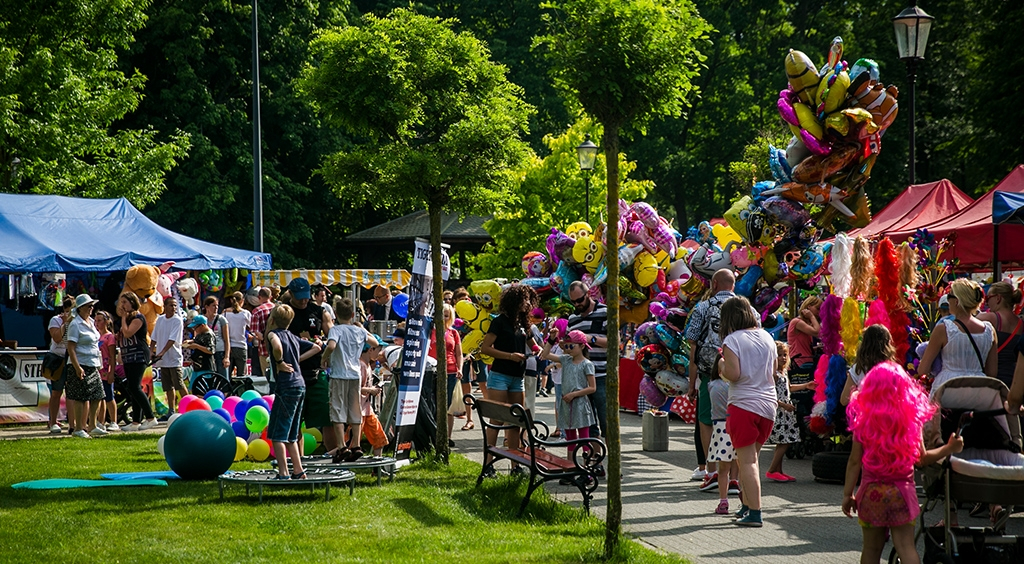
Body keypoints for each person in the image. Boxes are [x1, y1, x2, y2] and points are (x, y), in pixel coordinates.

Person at [843, 361, 964, 564]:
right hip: (902, 494)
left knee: (871, 549)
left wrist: (848, 494)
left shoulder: (863, 422)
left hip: (871, 493)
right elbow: (921, 460)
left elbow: (855, 461)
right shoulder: (911, 422)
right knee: (906, 547)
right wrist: (949, 448)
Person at [717, 295, 777, 527]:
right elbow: (772, 371)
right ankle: (746, 505)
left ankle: (755, 512)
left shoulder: (732, 340)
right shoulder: (767, 337)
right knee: (747, 461)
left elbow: (733, 374)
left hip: (743, 405)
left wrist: (721, 364)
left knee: (748, 462)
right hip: (767, 407)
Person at [685, 269, 739, 487]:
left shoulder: (703, 307)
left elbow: (692, 346)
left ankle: (712, 471)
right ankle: (735, 477)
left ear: (714, 284)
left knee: (707, 420)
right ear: (733, 286)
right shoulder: (747, 308)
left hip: (710, 375)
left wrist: (691, 385)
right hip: (738, 377)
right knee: (734, 421)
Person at [480, 284, 538, 475]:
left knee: (516, 420)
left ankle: (515, 466)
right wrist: (510, 356)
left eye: (529, 299)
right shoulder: (499, 321)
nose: (528, 303)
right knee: (496, 419)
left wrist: (551, 342)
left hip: (517, 378)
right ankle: (488, 465)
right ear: (514, 301)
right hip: (499, 376)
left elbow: (535, 347)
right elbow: (486, 348)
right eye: (524, 299)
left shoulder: (524, 324)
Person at [265, 304, 320, 480]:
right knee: (291, 435)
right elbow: (317, 347)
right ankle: (298, 470)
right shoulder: (293, 337)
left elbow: (277, 346)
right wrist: (297, 359)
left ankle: (283, 473)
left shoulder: (273, 334)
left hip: (286, 386)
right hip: (300, 385)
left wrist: (280, 361)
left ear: (272, 320)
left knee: (277, 434)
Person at [917, 278, 997, 393]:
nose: (947, 300)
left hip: (947, 389)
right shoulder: (989, 330)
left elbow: (923, 369)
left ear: (957, 301)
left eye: (949, 296)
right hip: (978, 390)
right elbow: (992, 373)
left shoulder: (944, 328)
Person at [321, 298, 376, 463]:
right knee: (355, 409)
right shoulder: (359, 331)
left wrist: (324, 358)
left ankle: (342, 446)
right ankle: (357, 445)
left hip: (339, 374)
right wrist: (361, 328)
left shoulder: (335, 330)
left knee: (338, 409)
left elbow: (331, 346)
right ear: (353, 314)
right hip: (355, 374)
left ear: (336, 315)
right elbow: (374, 342)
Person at [286, 277, 336, 450]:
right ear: (290, 294)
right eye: (299, 296)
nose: (304, 300)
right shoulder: (285, 312)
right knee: (295, 423)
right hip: (292, 373)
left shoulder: (320, 311)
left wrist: (324, 342)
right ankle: (298, 465)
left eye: (306, 296)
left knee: (328, 419)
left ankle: (334, 458)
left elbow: (333, 336)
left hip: (316, 372)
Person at [540, 329, 595, 464]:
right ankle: (570, 466)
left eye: (571, 346)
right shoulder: (565, 360)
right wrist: (551, 340)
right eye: (566, 346)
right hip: (567, 404)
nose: (568, 349)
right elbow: (545, 355)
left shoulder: (587, 364)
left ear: (582, 346)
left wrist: (574, 394)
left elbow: (592, 387)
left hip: (580, 405)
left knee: (584, 438)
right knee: (570, 439)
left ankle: (586, 467)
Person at [765, 342, 813, 482]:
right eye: (779, 355)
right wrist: (784, 405)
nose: (783, 358)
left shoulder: (783, 372)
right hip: (780, 412)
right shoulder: (773, 374)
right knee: (786, 441)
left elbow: (789, 388)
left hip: (787, 413)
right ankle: (772, 469)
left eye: (785, 355)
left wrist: (806, 385)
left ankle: (778, 471)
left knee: (783, 441)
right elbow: (771, 395)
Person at [566, 281, 608, 439]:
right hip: (581, 378)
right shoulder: (573, 319)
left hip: (602, 375)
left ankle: (612, 460)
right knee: (588, 425)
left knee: (607, 422)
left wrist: (590, 339)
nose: (577, 304)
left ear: (588, 294)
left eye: (580, 300)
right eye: (573, 302)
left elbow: (615, 342)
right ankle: (593, 460)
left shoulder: (605, 312)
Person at [65, 294, 107, 438]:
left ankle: (92, 425)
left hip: (93, 363)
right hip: (80, 363)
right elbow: (70, 347)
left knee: (97, 395)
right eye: (89, 306)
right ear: (81, 308)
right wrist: (77, 367)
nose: (91, 308)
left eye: (92, 306)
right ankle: (78, 428)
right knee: (80, 397)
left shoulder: (90, 322)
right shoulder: (75, 324)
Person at [116, 291, 157, 431]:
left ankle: (150, 417)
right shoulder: (127, 318)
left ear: (132, 303)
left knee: (135, 387)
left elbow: (128, 333)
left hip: (138, 356)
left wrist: (123, 318)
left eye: (125, 302)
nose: (122, 305)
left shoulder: (138, 318)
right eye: (121, 302)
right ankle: (135, 421)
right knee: (133, 388)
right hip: (128, 356)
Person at [707, 351, 740, 513]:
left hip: (719, 428)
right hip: (736, 425)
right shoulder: (734, 387)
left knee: (722, 469)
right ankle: (741, 492)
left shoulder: (711, 385)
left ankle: (723, 501)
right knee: (743, 462)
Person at [428, 303, 463, 447]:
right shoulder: (430, 331)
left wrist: (459, 368)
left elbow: (459, 353)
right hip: (432, 371)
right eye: (441, 314)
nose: (443, 317)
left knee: (448, 406)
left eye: (446, 315)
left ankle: (447, 437)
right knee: (433, 404)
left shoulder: (454, 333)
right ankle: (433, 435)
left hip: (451, 371)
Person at [977, 281, 1024, 388]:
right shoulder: (1021, 324)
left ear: (998, 298)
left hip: (993, 381)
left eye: (988, 298)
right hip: (1016, 381)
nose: (986, 302)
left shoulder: (989, 319)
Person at [841, 325, 898, 406]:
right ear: (887, 344)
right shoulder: (893, 369)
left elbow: (844, 400)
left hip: (865, 415)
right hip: (887, 414)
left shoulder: (858, 369)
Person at [151, 298, 186, 416]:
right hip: (163, 360)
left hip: (173, 358)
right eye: (171, 305)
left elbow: (172, 339)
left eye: (175, 305)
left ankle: (189, 407)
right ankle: (171, 410)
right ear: (165, 306)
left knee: (179, 385)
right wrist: (152, 351)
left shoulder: (177, 321)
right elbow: (154, 337)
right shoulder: (160, 320)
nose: (174, 308)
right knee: (168, 387)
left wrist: (162, 352)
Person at [45, 298, 75, 434]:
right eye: (68, 311)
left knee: (72, 393)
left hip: (72, 358)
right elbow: (57, 338)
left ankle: (73, 424)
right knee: (56, 392)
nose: (70, 314)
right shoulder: (55, 320)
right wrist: (65, 323)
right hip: (58, 359)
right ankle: (52, 422)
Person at [358, 336, 388, 457]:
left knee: (379, 439)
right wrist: (371, 390)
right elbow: (354, 389)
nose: (380, 353)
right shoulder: (360, 366)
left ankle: (378, 469)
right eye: (378, 349)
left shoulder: (368, 365)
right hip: (357, 410)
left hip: (367, 410)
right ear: (370, 349)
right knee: (350, 444)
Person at [95, 309, 119, 431]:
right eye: (95, 321)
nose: (96, 323)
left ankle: (114, 420)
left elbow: (112, 356)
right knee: (100, 397)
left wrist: (111, 372)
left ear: (106, 322)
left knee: (109, 396)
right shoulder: (95, 336)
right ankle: (101, 421)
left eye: (99, 320)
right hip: (97, 370)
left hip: (106, 370)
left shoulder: (110, 337)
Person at [786, 295, 822, 371]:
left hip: (807, 360)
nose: (819, 312)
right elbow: (817, 332)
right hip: (799, 361)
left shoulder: (806, 324)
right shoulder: (797, 322)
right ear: (809, 306)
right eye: (817, 309)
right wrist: (811, 316)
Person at [223, 292, 251, 378]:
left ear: (231, 300)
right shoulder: (246, 313)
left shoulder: (225, 313)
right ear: (242, 301)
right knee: (241, 376)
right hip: (241, 346)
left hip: (228, 347)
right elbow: (251, 327)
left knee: (228, 376)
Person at [249, 287, 275, 380]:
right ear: (270, 297)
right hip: (279, 347)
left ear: (259, 297)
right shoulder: (278, 308)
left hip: (264, 349)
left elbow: (257, 334)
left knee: (267, 377)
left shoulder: (257, 311)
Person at [203, 296, 231, 378]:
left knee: (222, 378)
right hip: (207, 351)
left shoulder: (221, 319)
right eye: (213, 305)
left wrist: (227, 357)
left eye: (217, 305)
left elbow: (226, 339)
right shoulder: (203, 319)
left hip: (220, 351)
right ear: (207, 307)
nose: (216, 308)